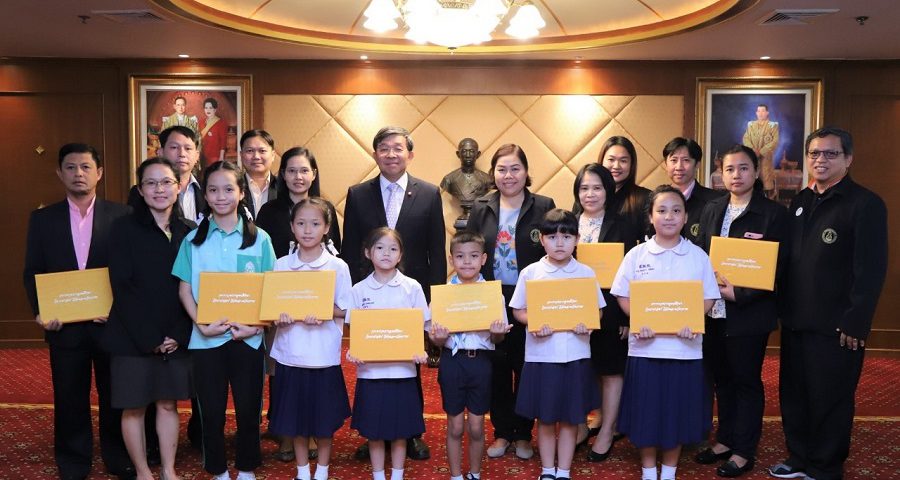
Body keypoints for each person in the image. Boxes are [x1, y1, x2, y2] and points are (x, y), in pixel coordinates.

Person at [768, 127, 887, 480]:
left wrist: (857, 320)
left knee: (830, 399)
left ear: (848, 159)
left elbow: (871, 270)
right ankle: (799, 456)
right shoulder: (800, 201)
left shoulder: (865, 204)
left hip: (838, 326)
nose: (820, 160)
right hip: (796, 320)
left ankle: (825, 466)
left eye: (830, 154)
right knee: (795, 394)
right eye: (814, 153)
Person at [23, 143, 134, 480]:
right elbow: (33, 271)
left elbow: (131, 272)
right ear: (60, 173)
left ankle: (118, 454)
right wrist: (42, 311)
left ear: (99, 173)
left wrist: (120, 311)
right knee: (69, 396)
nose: (78, 174)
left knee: (115, 394)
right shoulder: (43, 219)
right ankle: (73, 460)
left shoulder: (122, 215)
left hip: (111, 324)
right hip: (65, 325)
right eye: (70, 167)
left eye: (86, 167)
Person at [341, 126, 446, 460]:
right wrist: (354, 292)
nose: (391, 154)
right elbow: (350, 248)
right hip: (370, 294)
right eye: (383, 148)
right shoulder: (358, 194)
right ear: (375, 154)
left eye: (398, 148)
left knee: (408, 364)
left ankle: (410, 432)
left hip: (410, 295)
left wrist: (436, 299)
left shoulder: (429, 193)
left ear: (409, 155)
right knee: (372, 365)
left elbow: (436, 251)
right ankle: (373, 431)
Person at [172, 161, 276, 480]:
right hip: (206, 340)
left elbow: (272, 290)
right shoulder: (193, 241)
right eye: (213, 190)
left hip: (249, 338)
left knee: (248, 409)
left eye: (229, 189)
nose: (221, 196)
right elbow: (184, 289)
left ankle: (246, 467)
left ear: (241, 193)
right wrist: (201, 325)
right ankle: (217, 469)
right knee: (211, 411)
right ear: (205, 195)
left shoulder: (260, 239)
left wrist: (255, 326)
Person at [610, 186, 720, 480]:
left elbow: (709, 297)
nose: (669, 216)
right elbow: (622, 295)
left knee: (676, 414)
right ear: (650, 216)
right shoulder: (636, 255)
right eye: (661, 210)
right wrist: (638, 318)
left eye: (676, 210)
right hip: (645, 348)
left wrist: (693, 319)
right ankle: (648, 470)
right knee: (646, 413)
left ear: (685, 217)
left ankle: (669, 472)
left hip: (685, 350)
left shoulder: (698, 256)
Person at [694, 145, 788, 478]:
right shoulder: (712, 208)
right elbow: (701, 254)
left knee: (745, 381)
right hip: (712, 311)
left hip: (749, 313)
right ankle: (725, 440)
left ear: (756, 171)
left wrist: (741, 294)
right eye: (730, 169)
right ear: (721, 173)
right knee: (722, 379)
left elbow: (777, 267)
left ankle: (744, 450)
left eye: (744, 168)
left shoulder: (773, 214)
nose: (736, 175)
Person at [103, 157, 195, 480]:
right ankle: (143, 472)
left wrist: (178, 334)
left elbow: (195, 288)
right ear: (140, 190)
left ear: (179, 186)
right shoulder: (123, 229)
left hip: (175, 334)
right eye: (151, 183)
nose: (159, 189)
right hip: (132, 335)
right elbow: (122, 287)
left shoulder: (190, 231)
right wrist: (151, 338)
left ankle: (169, 469)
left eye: (166, 182)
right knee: (134, 407)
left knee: (168, 404)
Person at [466, 143, 556, 461]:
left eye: (515, 168)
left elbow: (554, 251)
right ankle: (503, 432)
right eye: (501, 169)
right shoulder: (482, 207)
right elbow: (471, 251)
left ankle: (523, 434)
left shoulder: (543, 205)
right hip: (493, 296)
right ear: (493, 173)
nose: (508, 175)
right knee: (498, 368)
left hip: (530, 297)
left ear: (526, 171)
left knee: (526, 366)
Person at [508, 208, 604, 480]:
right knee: (546, 418)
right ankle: (548, 470)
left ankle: (564, 470)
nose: (559, 243)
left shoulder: (585, 273)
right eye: (552, 237)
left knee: (572, 419)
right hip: (542, 356)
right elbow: (518, 310)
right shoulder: (531, 272)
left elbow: (597, 311)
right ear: (542, 239)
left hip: (575, 355)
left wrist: (588, 322)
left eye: (566, 236)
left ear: (577, 239)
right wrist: (534, 321)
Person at [268, 198, 353, 480]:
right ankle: (303, 471)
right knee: (296, 420)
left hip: (322, 356)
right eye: (301, 223)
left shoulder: (337, 266)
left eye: (315, 224)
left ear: (326, 228)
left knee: (323, 421)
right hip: (290, 354)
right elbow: (272, 308)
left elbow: (348, 310)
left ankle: (323, 470)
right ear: (292, 227)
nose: (307, 230)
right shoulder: (282, 265)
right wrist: (279, 316)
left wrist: (324, 310)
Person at [346, 227, 431, 480]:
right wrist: (354, 351)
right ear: (368, 253)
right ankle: (378, 475)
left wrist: (420, 350)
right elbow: (354, 330)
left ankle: (397, 475)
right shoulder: (359, 290)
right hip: (370, 374)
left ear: (400, 254)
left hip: (403, 372)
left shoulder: (411, 287)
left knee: (400, 431)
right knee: (373, 432)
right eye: (380, 248)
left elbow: (422, 326)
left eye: (393, 249)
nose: (386, 253)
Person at [428, 231, 513, 480]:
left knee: (476, 426)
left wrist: (497, 333)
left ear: (484, 259)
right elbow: (434, 339)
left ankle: (475, 473)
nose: (467, 262)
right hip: (452, 362)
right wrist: (438, 337)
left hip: (481, 364)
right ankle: (456, 475)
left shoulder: (492, 294)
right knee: (455, 426)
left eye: (474, 256)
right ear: (451, 259)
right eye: (460, 256)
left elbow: (497, 339)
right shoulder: (443, 294)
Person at [571, 164, 635, 462]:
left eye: (597, 188)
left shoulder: (623, 225)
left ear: (608, 191)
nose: (590, 194)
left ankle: (608, 430)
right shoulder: (568, 223)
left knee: (610, 371)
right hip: (574, 309)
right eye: (584, 188)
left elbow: (632, 274)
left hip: (611, 310)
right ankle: (580, 426)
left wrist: (627, 317)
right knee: (580, 369)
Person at [256, 146, 341, 258]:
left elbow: (335, 249)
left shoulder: (327, 209)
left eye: (304, 171)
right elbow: (259, 252)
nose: (298, 177)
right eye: (292, 171)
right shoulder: (268, 211)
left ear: (314, 174)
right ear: (283, 174)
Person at [128, 126, 207, 224]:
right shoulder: (144, 192)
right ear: (160, 152)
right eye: (174, 147)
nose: (182, 154)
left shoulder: (208, 189)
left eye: (188, 148)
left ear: (197, 156)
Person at [662, 137, 725, 245]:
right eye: (674, 160)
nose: (679, 167)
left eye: (686, 160)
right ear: (666, 164)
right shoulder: (657, 200)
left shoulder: (715, 202)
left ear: (697, 165)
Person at [598, 136, 651, 246]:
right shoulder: (587, 197)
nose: (616, 166)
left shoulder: (646, 198)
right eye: (611, 160)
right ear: (601, 161)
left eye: (623, 161)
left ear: (632, 164)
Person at [440, 138, 494, 228]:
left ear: (478, 154)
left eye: (472, 151)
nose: (468, 155)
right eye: (464, 151)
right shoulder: (448, 179)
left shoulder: (488, 179)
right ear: (458, 154)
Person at [742, 104, 779, 199]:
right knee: (751, 180)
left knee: (766, 182)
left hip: (766, 158)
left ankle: (767, 200)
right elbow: (746, 138)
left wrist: (761, 151)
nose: (761, 113)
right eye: (759, 111)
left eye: (763, 111)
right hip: (752, 157)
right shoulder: (751, 125)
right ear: (756, 113)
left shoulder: (772, 125)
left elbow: (775, 141)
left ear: (767, 113)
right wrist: (753, 150)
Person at [240, 129, 278, 218]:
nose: (256, 157)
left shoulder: (284, 187)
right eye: (250, 151)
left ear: (273, 155)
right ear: (241, 155)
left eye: (262, 151)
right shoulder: (233, 188)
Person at [199, 97, 228, 166]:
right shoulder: (201, 122)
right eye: (206, 108)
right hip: (202, 156)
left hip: (215, 156)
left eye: (210, 108)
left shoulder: (221, 123)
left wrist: (221, 157)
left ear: (215, 109)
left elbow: (223, 142)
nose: (208, 110)